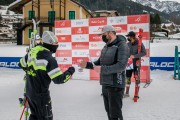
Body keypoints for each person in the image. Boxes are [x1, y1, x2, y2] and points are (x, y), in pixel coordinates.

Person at [19, 31, 75, 120]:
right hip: (41, 97)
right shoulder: (49, 59)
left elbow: (21, 64)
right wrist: (71, 71)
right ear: (50, 43)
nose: (57, 45)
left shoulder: (32, 52)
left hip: (30, 94)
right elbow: (59, 79)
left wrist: (31, 72)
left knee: (34, 116)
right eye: (56, 43)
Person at [79, 25, 129, 120]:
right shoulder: (106, 46)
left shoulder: (122, 45)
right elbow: (99, 62)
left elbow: (121, 66)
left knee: (115, 114)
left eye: (103, 34)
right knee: (109, 112)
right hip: (105, 84)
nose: (102, 37)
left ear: (110, 33)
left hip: (116, 84)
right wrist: (87, 65)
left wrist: (102, 69)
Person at [124, 31, 146, 97]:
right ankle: (127, 93)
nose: (128, 37)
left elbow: (144, 53)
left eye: (129, 36)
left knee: (137, 78)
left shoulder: (140, 43)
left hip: (136, 63)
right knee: (127, 77)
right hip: (129, 64)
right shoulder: (128, 44)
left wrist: (135, 56)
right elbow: (126, 53)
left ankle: (136, 93)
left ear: (132, 36)